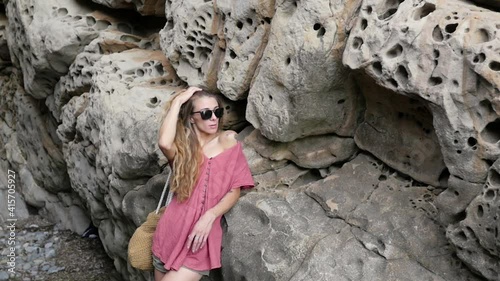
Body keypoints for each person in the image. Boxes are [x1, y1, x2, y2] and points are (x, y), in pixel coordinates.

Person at [152, 86, 254, 281]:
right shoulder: (182, 149)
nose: (214, 118)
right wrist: (177, 102)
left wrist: (210, 215)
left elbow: (235, 189)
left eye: (217, 112)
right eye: (206, 113)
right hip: (169, 233)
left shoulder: (228, 140)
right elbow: (164, 143)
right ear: (192, 117)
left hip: (198, 241)